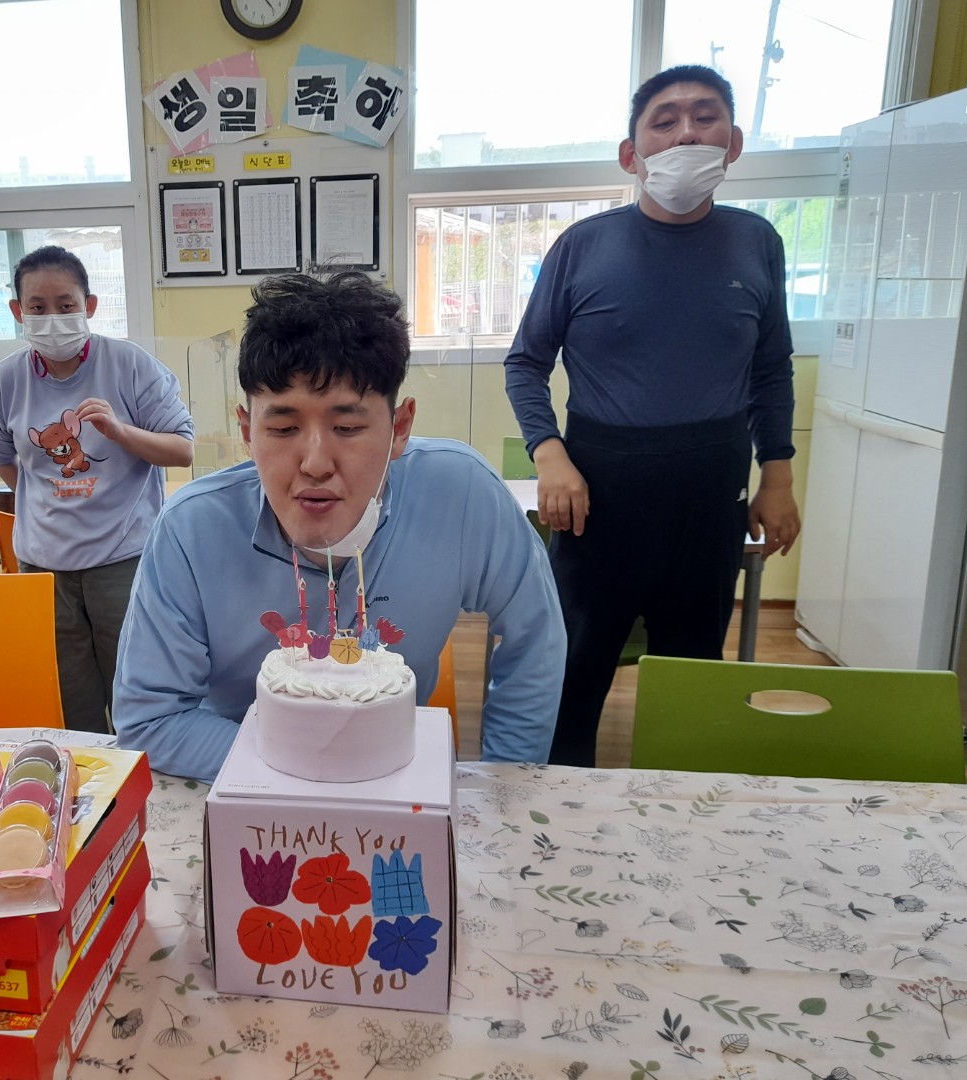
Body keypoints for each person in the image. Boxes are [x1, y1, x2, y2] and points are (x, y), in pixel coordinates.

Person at [112, 271, 565, 782]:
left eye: (347, 427)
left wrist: (503, 780)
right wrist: (315, 771)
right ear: (247, 432)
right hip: (239, 776)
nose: (315, 463)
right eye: (283, 428)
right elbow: (149, 719)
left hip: (393, 780)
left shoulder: (462, 494)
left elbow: (536, 637)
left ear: (399, 428)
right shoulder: (190, 531)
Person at [504, 65, 801, 768]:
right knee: (574, 669)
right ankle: (558, 814)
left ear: (732, 142)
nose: (686, 133)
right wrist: (549, 454)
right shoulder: (583, 246)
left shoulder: (757, 242)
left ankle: (679, 815)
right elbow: (525, 362)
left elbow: (771, 370)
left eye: (705, 117)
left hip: (711, 494)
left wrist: (778, 477)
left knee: (689, 679)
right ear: (630, 154)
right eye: (664, 121)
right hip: (599, 494)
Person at [0, 246, 194, 733]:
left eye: (66, 304)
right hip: (44, 568)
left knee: (135, 694)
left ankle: (138, 774)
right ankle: (85, 777)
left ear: (89, 306)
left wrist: (120, 432)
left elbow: (182, 450)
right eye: (37, 307)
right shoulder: (5, 381)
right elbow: (4, 460)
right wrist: (50, 500)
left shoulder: (131, 365)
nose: (52, 318)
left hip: (123, 561)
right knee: (68, 701)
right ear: (17, 311)